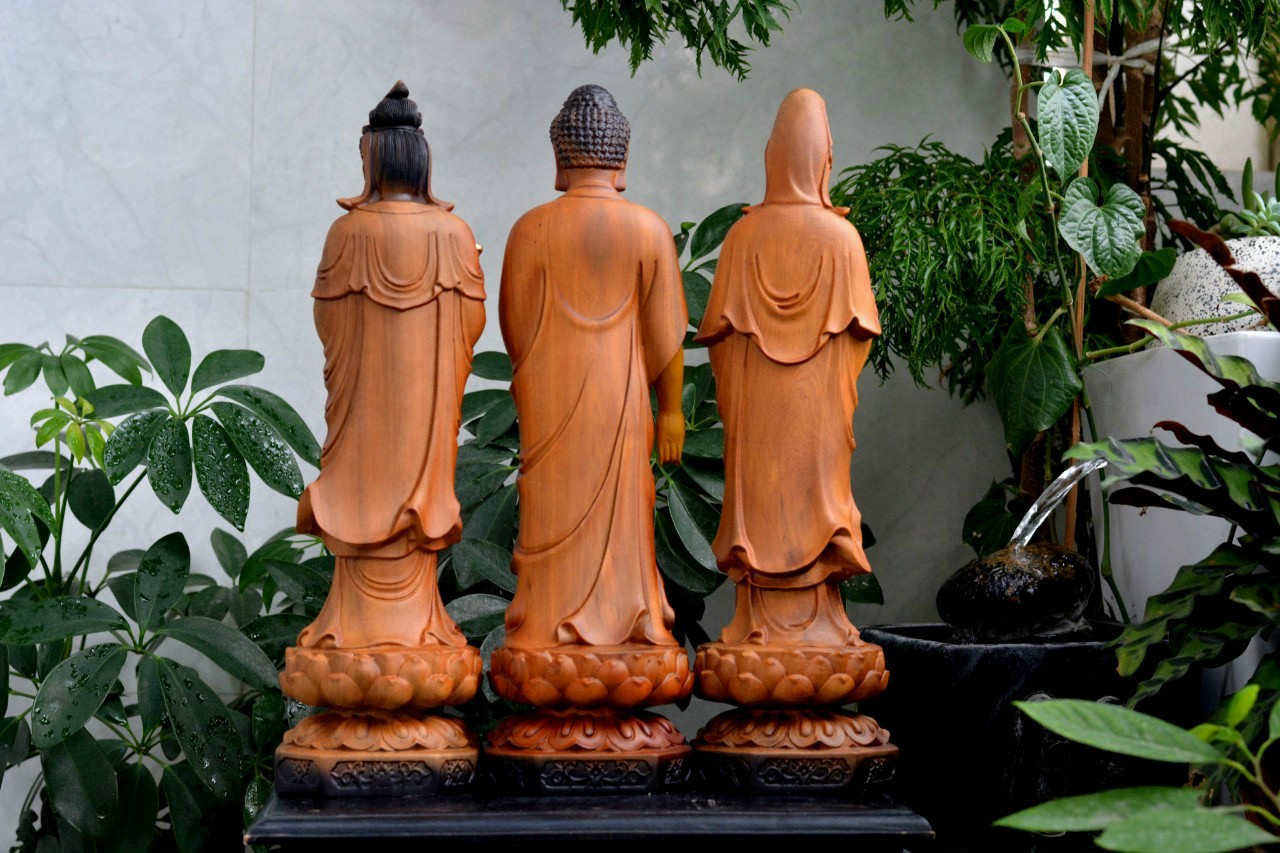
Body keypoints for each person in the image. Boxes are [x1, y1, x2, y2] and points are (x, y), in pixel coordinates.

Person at [295, 81, 486, 651]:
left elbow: (327, 324)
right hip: (422, 414)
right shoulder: (454, 234)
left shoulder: (347, 232)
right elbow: (472, 326)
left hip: (363, 413)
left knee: (363, 472)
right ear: (421, 164)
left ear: (374, 161)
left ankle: (361, 628)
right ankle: (416, 630)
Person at [497, 84, 687, 654]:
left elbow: (514, 328)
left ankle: (546, 627)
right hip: (621, 402)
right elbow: (667, 335)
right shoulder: (649, 229)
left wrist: (544, 373)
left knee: (553, 509)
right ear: (621, 160)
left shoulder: (529, 230)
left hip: (548, 401)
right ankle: (627, 619)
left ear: (559, 159)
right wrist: (671, 411)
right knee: (622, 519)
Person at [696, 87, 881, 648]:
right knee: (816, 491)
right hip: (821, 411)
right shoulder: (841, 239)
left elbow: (720, 344)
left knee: (762, 494)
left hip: (758, 416)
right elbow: (858, 343)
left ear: (773, 157)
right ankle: (809, 623)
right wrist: (825, 375)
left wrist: (752, 381)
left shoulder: (742, 237)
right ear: (824, 159)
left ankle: (770, 620)